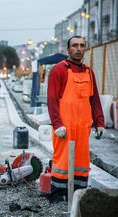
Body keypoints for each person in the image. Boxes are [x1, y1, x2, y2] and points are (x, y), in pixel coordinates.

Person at [47, 35, 104, 202]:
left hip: (83, 126)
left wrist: (99, 123)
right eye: (75, 45)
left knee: (82, 161)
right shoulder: (58, 70)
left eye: (82, 45)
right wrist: (57, 124)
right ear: (68, 49)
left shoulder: (89, 72)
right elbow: (52, 100)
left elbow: (94, 100)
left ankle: (79, 194)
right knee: (62, 160)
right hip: (64, 126)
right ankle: (58, 194)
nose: (79, 49)